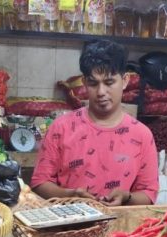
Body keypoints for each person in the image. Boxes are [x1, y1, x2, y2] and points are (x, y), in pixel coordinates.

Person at [30, 40, 159, 206]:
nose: (101, 92)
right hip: (69, 221)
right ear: (84, 82)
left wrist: (127, 197)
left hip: (121, 222)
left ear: (125, 80)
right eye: (93, 83)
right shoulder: (61, 127)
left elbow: (148, 193)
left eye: (109, 82)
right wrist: (71, 195)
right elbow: (40, 182)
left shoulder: (142, 135)